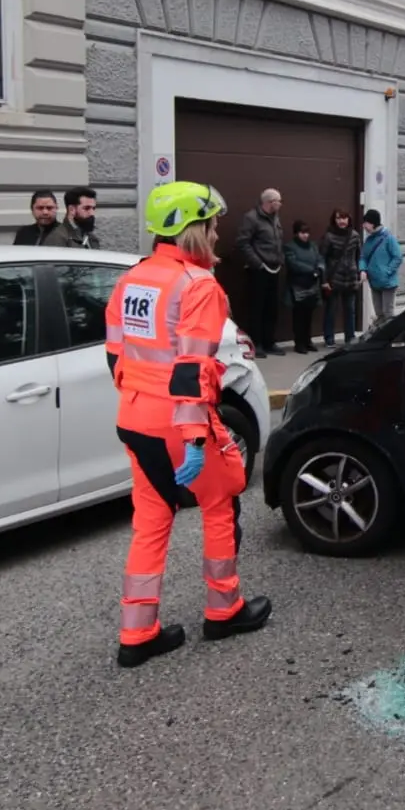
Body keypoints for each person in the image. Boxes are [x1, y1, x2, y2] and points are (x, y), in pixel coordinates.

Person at [104, 180, 272, 668]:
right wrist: (197, 436)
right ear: (190, 229)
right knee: (220, 503)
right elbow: (192, 370)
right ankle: (225, 610)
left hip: (135, 416)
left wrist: (139, 398)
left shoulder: (133, 278)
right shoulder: (199, 287)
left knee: (151, 522)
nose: (217, 234)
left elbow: (115, 353)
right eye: (212, 225)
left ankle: (137, 634)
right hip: (180, 423)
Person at [236, 188, 285, 357]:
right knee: (257, 308)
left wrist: (281, 258)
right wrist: (257, 263)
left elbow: (278, 240)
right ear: (269, 202)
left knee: (272, 308)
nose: (280, 204)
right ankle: (256, 343)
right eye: (278, 201)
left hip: (274, 268)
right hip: (259, 270)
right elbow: (243, 243)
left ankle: (269, 342)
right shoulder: (252, 218)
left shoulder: (275, 218)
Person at [320, 209, 362, 346]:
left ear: (349, 219)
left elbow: (359, 256)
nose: (342, 221)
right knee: (331, 310)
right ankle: (329, 338)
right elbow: (322, 259)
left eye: (344, 218)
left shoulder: (355, 235)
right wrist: (324, 280)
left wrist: (359, 273)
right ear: (334, 220)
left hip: (350, 277)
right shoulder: (329, 236)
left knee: (350, 310)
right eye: (338, 218)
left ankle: (350, 337)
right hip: (334, 278)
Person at [284, 220, 324, 354]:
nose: (305, 235)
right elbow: (293, 263)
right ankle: (299, 343)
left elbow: (319, 259)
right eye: (302, 233)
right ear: (296, 233)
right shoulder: (290, 246)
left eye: (307, 233)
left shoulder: (313, 245)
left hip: (312, 285)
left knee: (309, 315)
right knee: (299, 316)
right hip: (298, 286)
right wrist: (311, 270)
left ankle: (308, 341)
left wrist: (319, 268)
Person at [359, 209, 402, 322]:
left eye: (365, 223)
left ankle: (388, 337)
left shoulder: (388, 238)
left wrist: (387, 272)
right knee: (379, 314)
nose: (363, 226)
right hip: (374, 282)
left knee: (388, 314)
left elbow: (397, 257)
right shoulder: (368, 240)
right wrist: (363, 270)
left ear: (372, 223)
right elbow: (363, 257)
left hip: (388, 283)